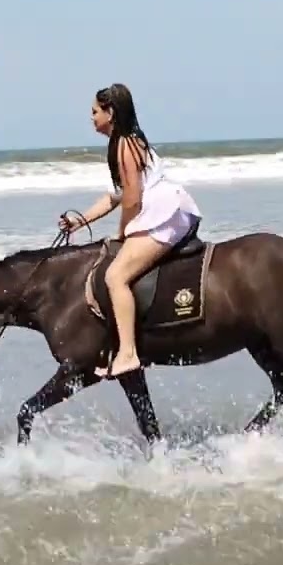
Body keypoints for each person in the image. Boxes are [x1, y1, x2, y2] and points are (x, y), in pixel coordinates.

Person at [58, 83, 203, 378]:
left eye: (94, 112)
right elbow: (116, 196)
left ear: (110, 113)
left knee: (115, 275)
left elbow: (132, 199)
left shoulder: (125, 144)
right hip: (161, 209)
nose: (91, 117)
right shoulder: (122, 142)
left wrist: (123, 232)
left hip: (163, 214)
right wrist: (81, 221)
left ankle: (128, 353)